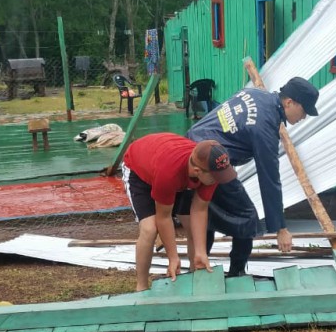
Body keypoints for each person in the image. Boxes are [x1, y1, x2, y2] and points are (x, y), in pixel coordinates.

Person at [177, 77, 319, 277]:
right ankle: (236, 273)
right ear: (289, 102)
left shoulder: (254, 94)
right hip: (211, 162)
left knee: (206, 212)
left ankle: (198, 271)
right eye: (304, 111)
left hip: (190, 148)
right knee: (247, 217)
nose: (304, 117)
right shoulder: (265, 126)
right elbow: (269, 178)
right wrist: (280, 228)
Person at [122, 133, 236, 291]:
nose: (218, 180)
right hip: (138, 171)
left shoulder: (211, 171)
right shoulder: (169, 173)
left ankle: (195, 275)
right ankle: (141, 286)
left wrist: (201, 252)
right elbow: (164, 217)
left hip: (168, 164)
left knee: (191, 226)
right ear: (197, 171)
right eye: (216, 177)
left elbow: (200, 209)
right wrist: (173, 257)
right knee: (150, 229)